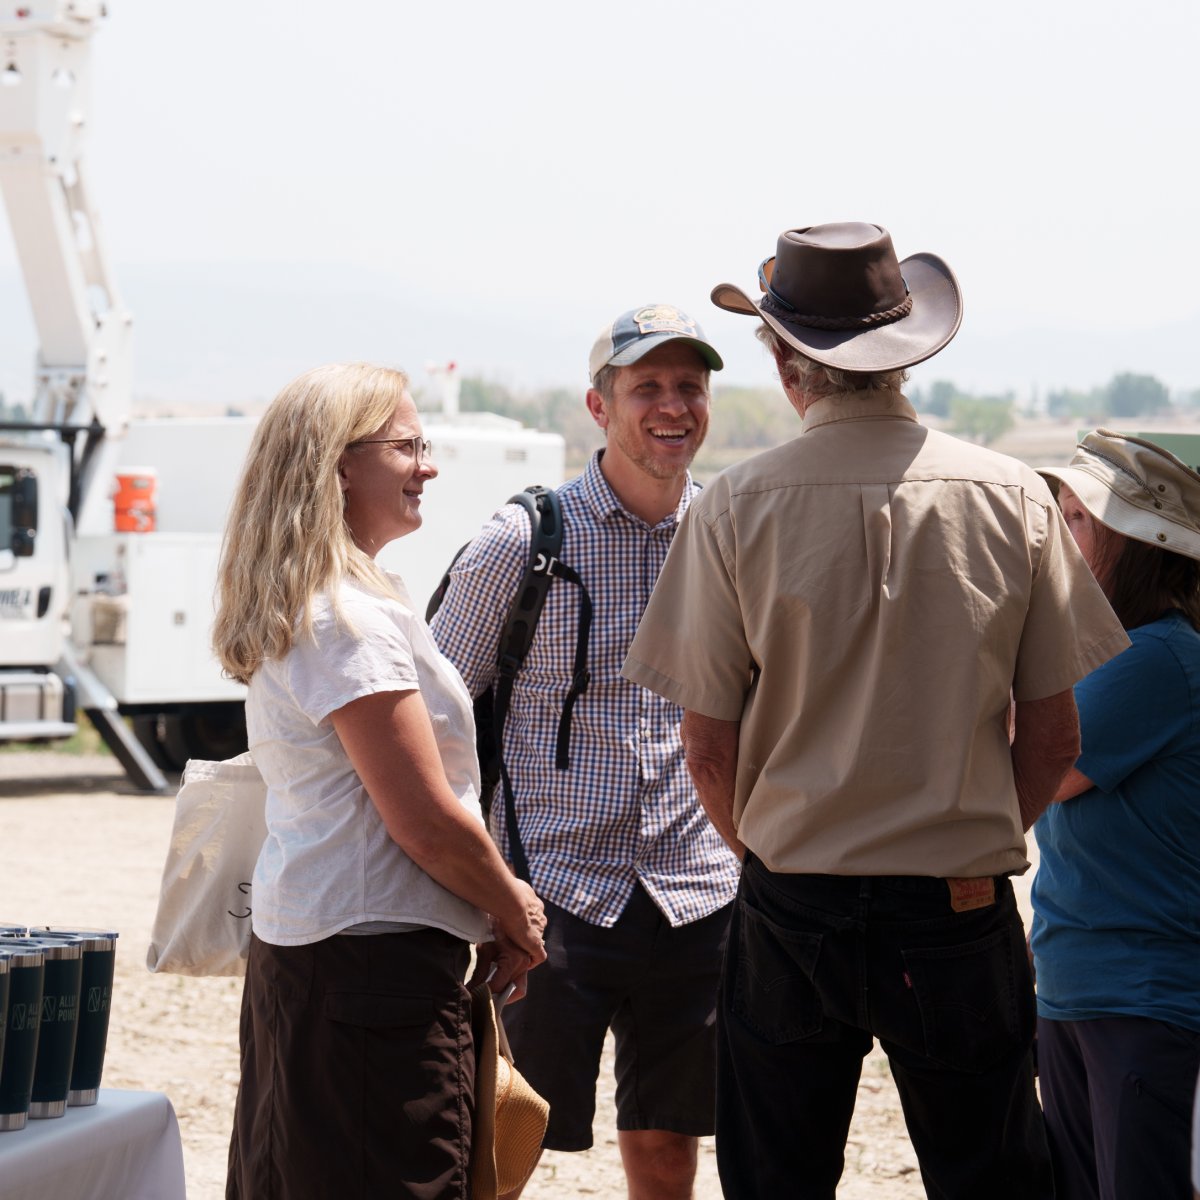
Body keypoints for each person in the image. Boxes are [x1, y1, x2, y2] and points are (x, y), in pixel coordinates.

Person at [622, 223, 1131, 1200]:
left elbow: (707, 751)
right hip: (958, 903)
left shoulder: (733, 505)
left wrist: (774, 852)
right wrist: (968, 834)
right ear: (907, 355)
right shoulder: (1016, 497)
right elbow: (1055, 736)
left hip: (793, 896)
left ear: (786, 366)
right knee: (992, 1179)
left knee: (777, 1178)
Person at [213, 362, 546, 1199]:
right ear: (338, 465)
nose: (427, 466)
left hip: (332, 957)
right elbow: (423, 818)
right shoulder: (349, 619)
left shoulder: (328, 603)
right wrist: (512, 906)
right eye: (407, 446)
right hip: (371, 974)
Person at [430, 304, 741, 1199]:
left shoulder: (732, 534)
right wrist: (476, 879)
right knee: (503, 1144)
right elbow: (434, 717)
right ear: (599, 407)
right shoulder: (522, 544)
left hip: (697, 893)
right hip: (551, 899)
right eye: (647, 387)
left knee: (670, 1144)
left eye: (690, 386)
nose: (673, 406)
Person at [1031, 430, 1200, 1200]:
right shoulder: (1113, 653)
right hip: (1083, 985)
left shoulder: (1156, 658)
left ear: (1139, 544)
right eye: (1060, 512)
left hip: (1140, 994)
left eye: (1079, 518)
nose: (1058, 537)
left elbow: (1040, 769)